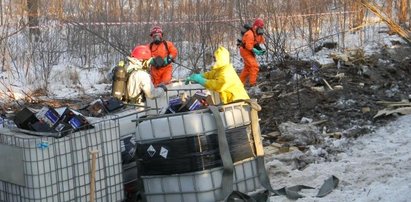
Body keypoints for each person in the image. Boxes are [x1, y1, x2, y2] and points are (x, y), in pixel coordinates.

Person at [185, 46, 249, 104]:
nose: (214, 60)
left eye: (216, 58)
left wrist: (201, 80)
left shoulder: (227, 72)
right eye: (214, 58)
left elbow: (219, 85)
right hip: (232, 103)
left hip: (240, 102)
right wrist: (199, 76)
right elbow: (210, 74)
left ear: (222, 59)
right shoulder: (220, 69)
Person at [239, 18, 266, 87]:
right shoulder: (250, 34)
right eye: (260, 28)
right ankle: (252, 85)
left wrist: (262, 50)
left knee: (247, 68)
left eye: (261, 29)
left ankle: (239, 84)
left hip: (250, 51)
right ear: (255, 27)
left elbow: (261, 43)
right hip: (245, 51)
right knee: (254, 66)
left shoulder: (259, 34)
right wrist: (256, 51)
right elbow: (248, 46)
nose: (261, 30)